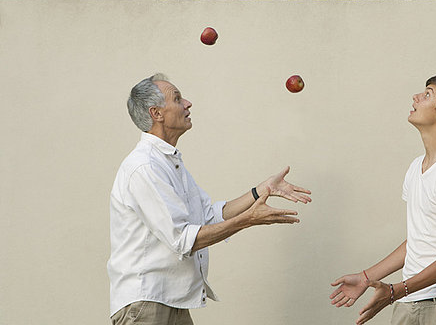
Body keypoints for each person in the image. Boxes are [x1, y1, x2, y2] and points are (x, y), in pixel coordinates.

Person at [107, 73, 311, 325]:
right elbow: (183, 239)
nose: (188, 103)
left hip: (173, 302)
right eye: (178, 98)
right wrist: (248, 220)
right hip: (147, 304)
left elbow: (207, 217)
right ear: (156, 113)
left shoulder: (169, 162)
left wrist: (260, 191)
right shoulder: (144, 167)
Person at [330, 75, 436, 325]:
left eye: (428, 94)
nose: (416, 97)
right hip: (408, 303)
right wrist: (366, 277)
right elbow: (419, 239)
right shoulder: (416, 168)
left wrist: (395, 291)